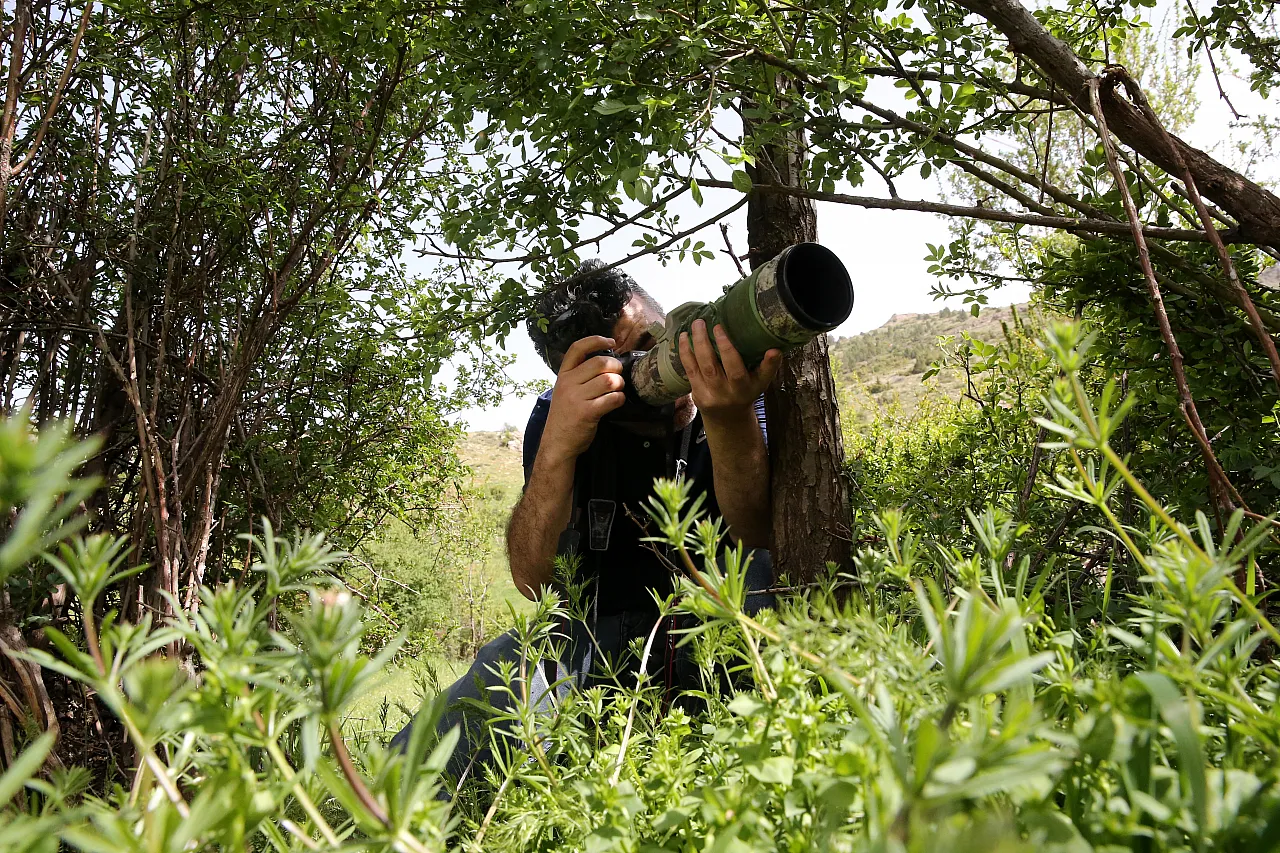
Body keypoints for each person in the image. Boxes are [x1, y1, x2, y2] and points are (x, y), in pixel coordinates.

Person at [391, 259, 779, 784]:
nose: (650, 364)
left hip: (719, 621)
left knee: (761, 577)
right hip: (595, 636)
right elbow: (532, 580)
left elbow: (759, 537)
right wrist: (557, 448)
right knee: (474, 703)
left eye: (651, 338)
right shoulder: (559, 414)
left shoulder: (725, 380)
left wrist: (727, 417)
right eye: (616, 362)